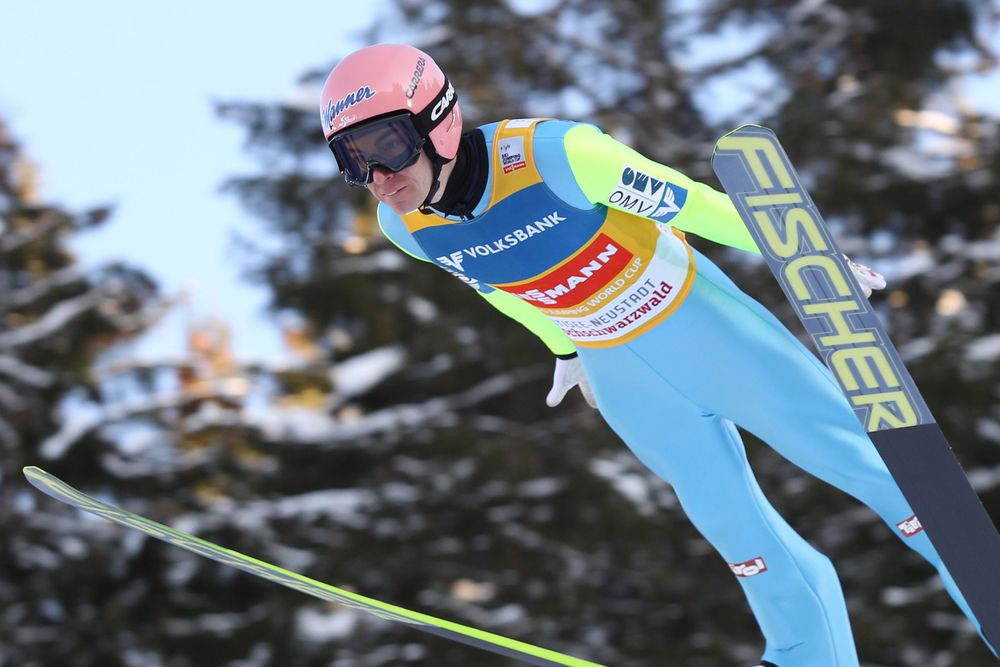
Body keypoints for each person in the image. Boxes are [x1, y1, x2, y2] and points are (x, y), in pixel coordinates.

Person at [318, 44, 992, 667]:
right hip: (620, 374)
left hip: (702, 329)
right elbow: (499, 289)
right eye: (351, 160)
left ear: (437, 120)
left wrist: (808, 254)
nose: (376, 176)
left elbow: (697, 207)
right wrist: (564, 349)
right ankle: (804, 652)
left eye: (385, 145)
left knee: (860, 462)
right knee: (734, 529)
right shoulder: (405, 227)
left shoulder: (557, 155)